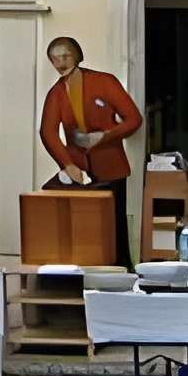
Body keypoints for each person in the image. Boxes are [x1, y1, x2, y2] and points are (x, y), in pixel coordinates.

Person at [37, 36, 144, 260]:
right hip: (79, 170)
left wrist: (105, 136)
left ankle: (120, 272)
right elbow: (47, 132)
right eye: (54, 59)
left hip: (111, 167)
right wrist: (67, 164)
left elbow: (133, 119)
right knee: (81, 228)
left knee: (113, 229)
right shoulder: (56, 94)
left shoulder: (104, 82)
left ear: (76, 56)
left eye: (65, 56)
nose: (60, 63)